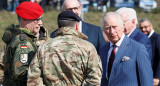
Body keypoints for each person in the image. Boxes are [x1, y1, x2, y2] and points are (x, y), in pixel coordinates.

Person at [27, 11, 102, 86]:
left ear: (59, 26)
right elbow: (94, 79)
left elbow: (33, 79)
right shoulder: (88, 47)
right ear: (76, 26)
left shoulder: (43, 47)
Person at [99, 12, 153, 86]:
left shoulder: (138, 49)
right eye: (108, 28)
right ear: (104, 30)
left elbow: (147, 82)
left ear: (123, 26)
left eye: (115, 27)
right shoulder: (103, 50)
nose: (112, 31)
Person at [2, 1, 44, 86]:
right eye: (36, 19)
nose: (40, 23)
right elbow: (21, 73)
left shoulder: (18, 36)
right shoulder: (24, 43)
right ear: (24, 19)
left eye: (40, 19)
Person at [139, 18, 160, 86]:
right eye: (141, 28)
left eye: (145, 27)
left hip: (155, 78)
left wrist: (157, 76)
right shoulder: (142, 39)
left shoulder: (157, 38)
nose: (143, 30)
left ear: (151, 26)